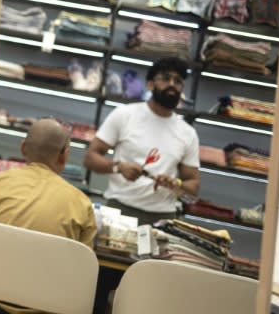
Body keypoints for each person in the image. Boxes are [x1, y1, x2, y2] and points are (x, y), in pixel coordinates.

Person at [0, 118, 97, 314]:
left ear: (23, 148)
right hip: (46, 307)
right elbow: (83, 270)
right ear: (64, 155)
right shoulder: (81, 204)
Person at [83, 57, 200, 226]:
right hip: (120, 210)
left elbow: (193, 185)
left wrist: (175, 183)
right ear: (150, 84)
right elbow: (90, 157)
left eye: (178, 81)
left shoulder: (188, 133)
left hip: (163, 218)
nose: (172, 85)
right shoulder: (125, 115)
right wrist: (119, 167)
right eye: (166, 79)